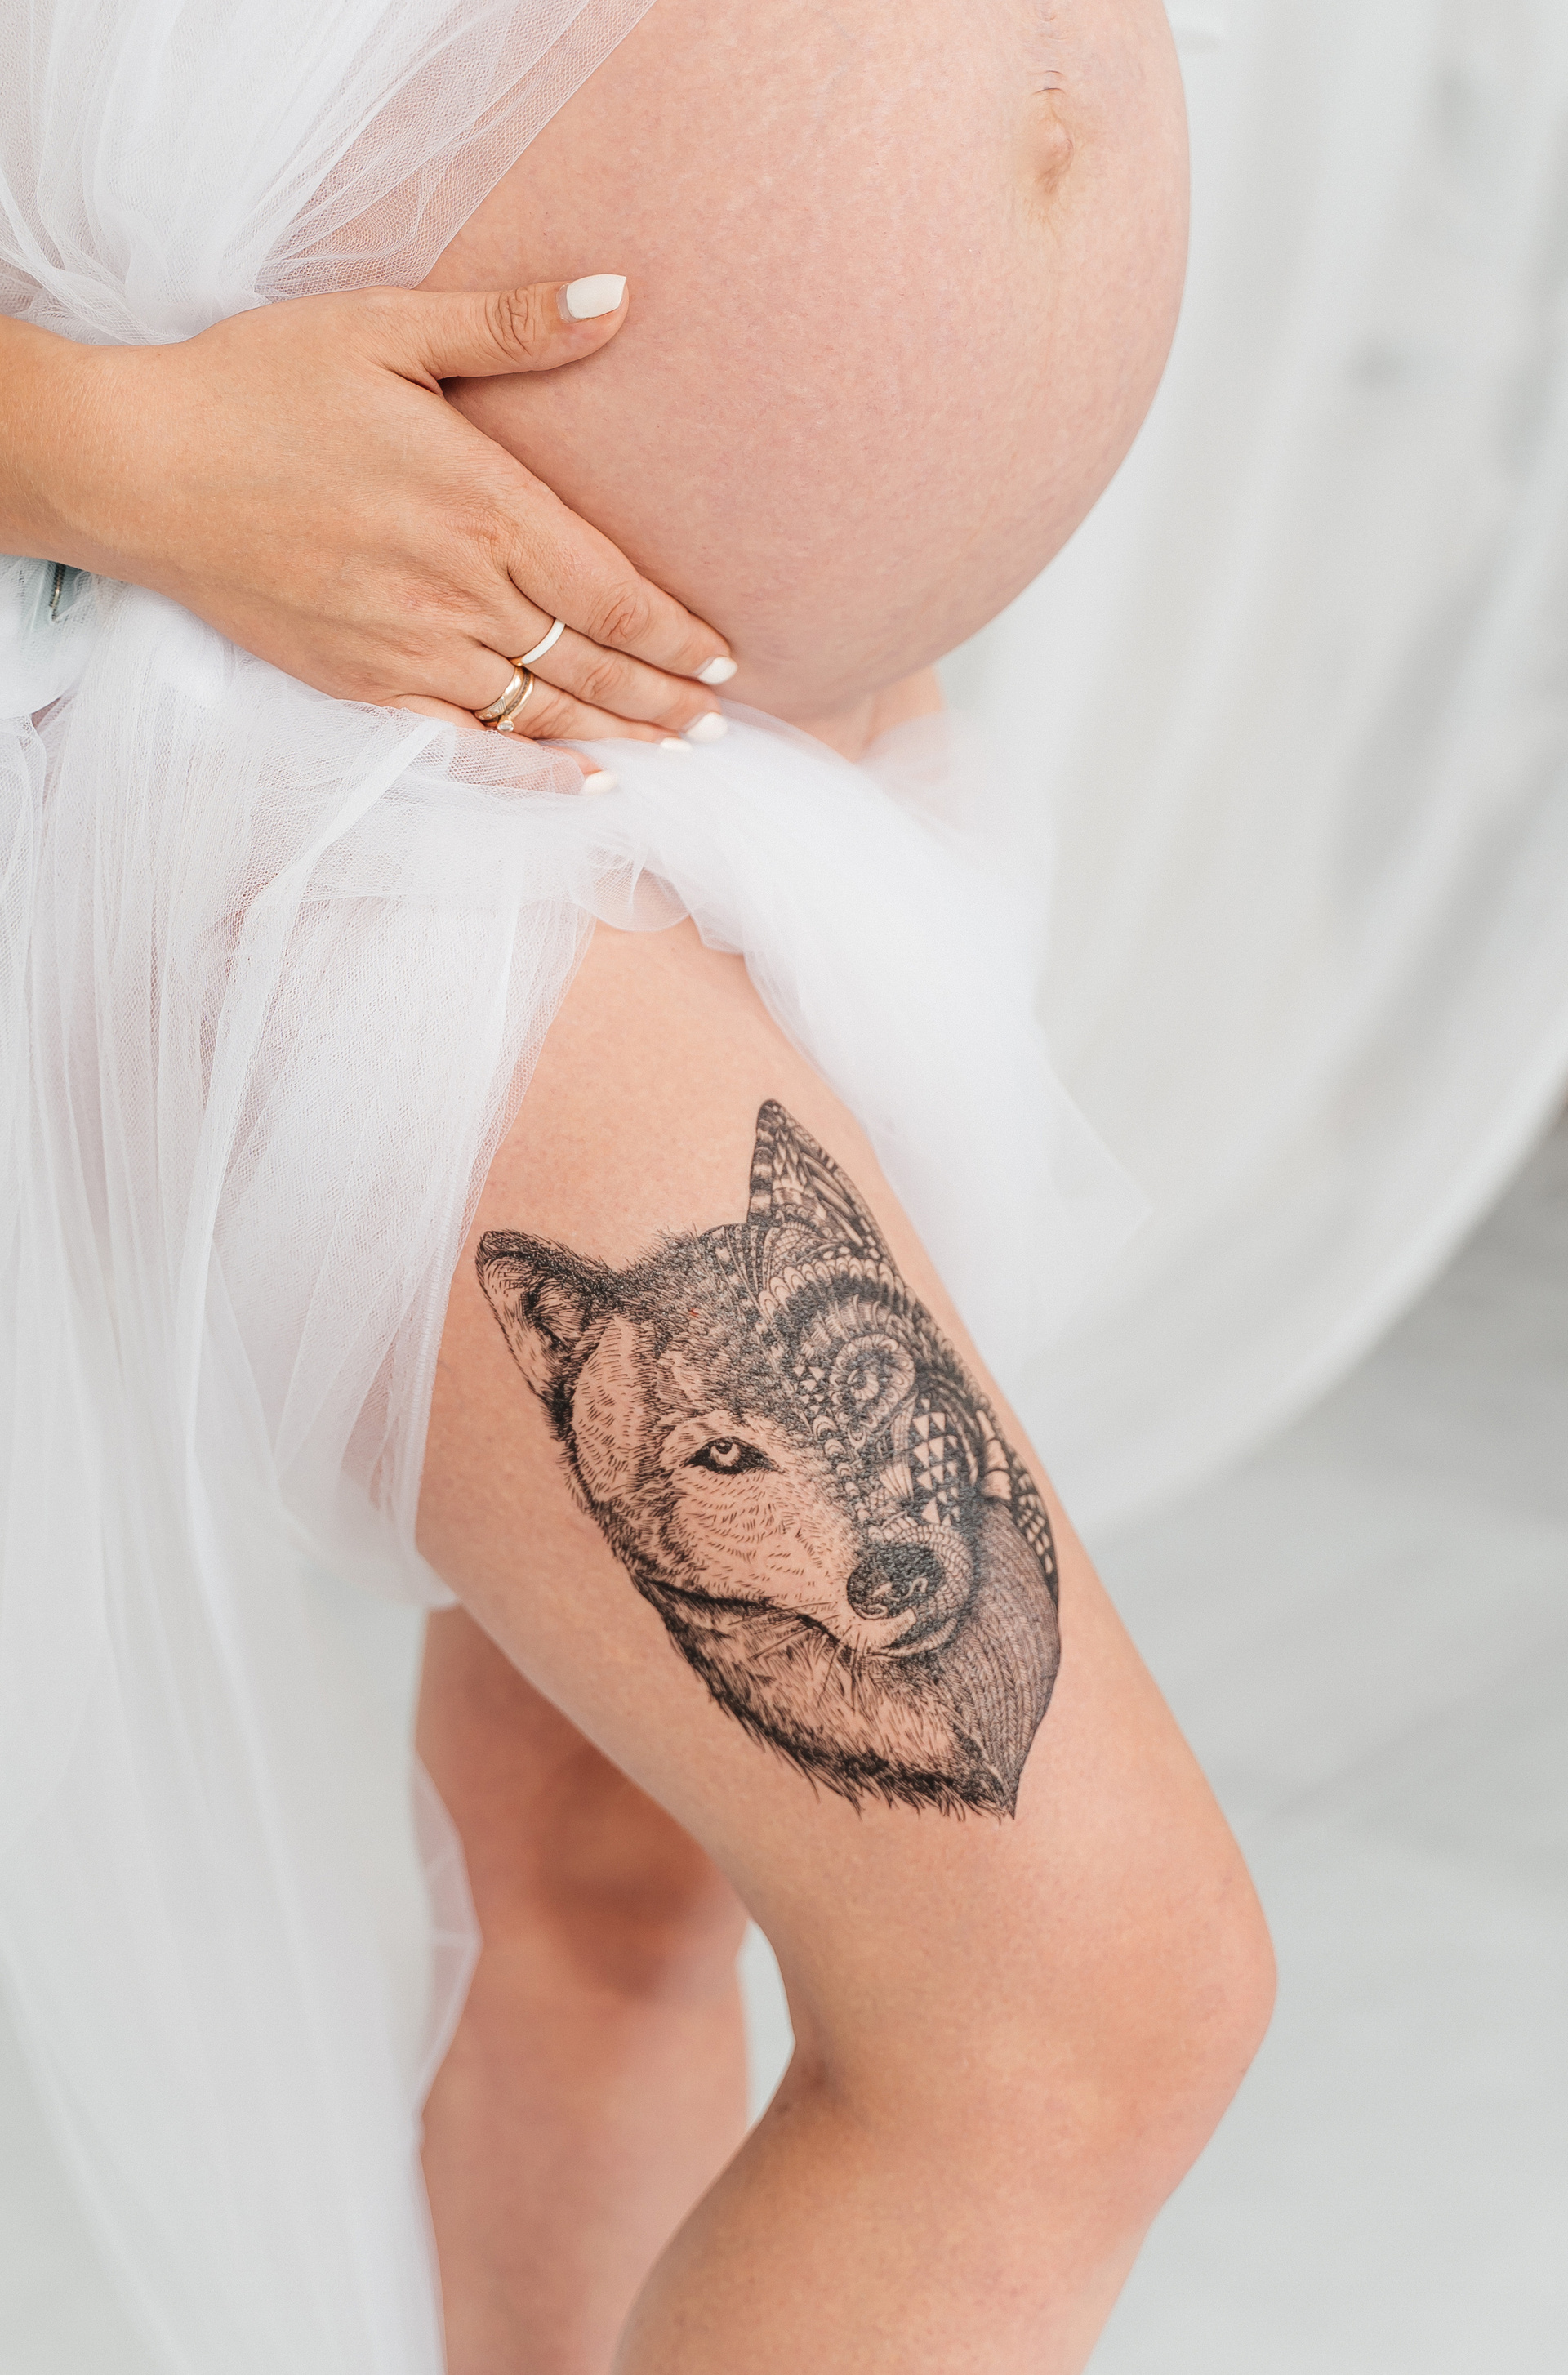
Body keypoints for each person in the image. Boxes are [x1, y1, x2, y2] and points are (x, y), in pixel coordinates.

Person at [0, 3, 1272, 2373]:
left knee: (607, 1892)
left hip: (783, 736)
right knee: (1073, 2012)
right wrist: (103, 447)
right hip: (372, 749)